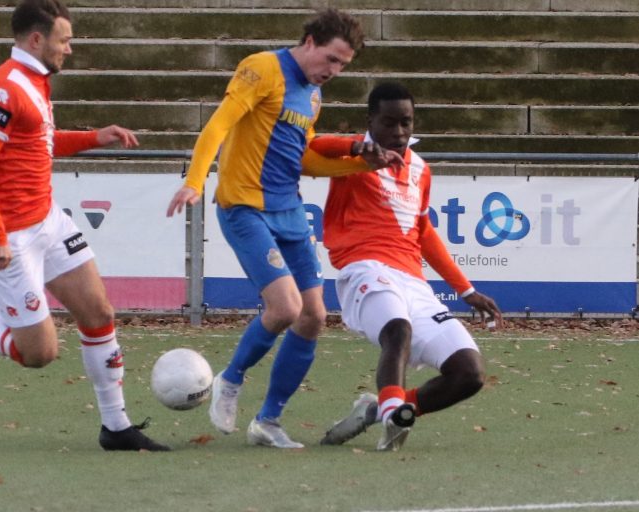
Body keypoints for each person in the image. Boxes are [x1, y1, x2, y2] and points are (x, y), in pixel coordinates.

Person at [0, 0, 169, 452]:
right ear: (36, 39)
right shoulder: (3, 87)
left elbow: (39, 144)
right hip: (9, 237)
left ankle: (116, 427)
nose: (69, 48)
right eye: (64, 40)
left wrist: (95, 137)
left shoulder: (36, 81)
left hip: (49, 220)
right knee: (38, 354)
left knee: (99, 314)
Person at [166, 9, 403, 449]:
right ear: (310, 42)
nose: (334, 71)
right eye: (331, 59)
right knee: (285, 308)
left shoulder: (312, 95)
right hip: (245, 207)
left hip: (289, 211)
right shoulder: (261, 68)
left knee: (313, 317)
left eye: (343, 65)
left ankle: (268, 421)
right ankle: (230, 379)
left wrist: (361, 163)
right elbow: (219, 125)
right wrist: (195, 181)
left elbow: (304, 160)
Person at [312, 82, 503, 451]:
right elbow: (313, 148)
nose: (398, 132)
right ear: (370, 122)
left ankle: (385, 410)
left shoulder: (420, 169)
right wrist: (357, 148)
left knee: (469, 372)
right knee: (398, 329)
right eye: (388, 123)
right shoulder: (354, 157)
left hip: (412, 281)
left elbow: (423, 231)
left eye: (406, 122)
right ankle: (392, 417)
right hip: (364, 268)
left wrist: (466, 290)